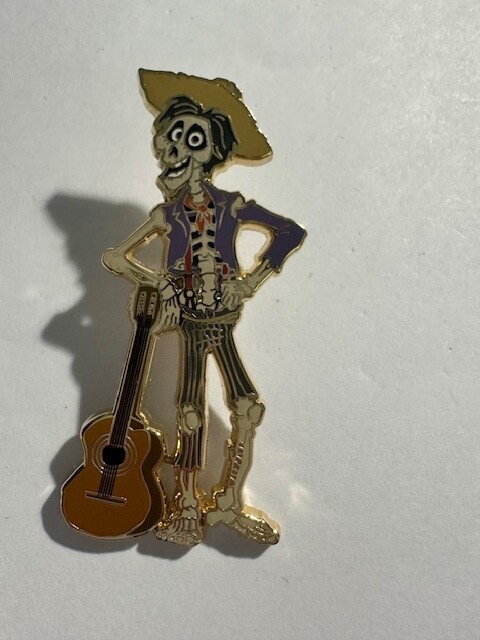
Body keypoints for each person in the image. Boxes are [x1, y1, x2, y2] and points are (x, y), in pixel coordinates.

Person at [103, 70, 306, 546]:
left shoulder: (231, 206)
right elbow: (115, 257)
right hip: (191, 324)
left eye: (191, 139)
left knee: (248, 408)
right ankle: (188, 507)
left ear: (213, 151)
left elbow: (290, 232)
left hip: (222, 319)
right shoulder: (166, 215)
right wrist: (161, 283)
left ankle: (229, 501)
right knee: (191, 413)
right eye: (171, 138)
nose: (175, 151)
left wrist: (249, 283)